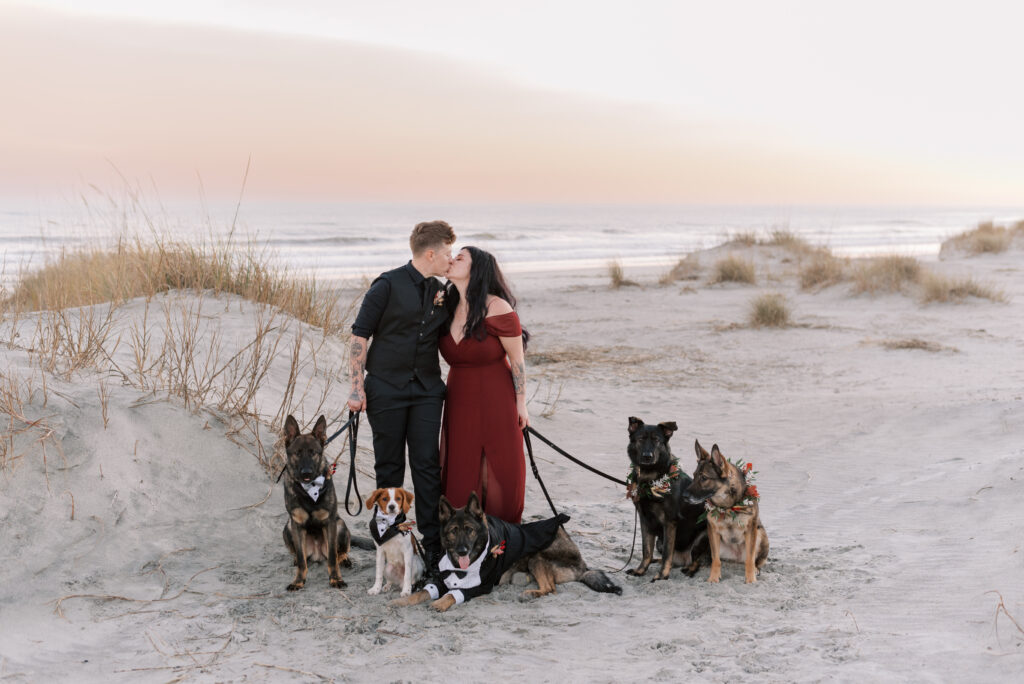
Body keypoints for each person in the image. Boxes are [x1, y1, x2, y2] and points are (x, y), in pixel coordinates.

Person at [348, 221, 456, 569]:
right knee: (389, 465)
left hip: (426, 390)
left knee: (426, 466)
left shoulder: (442, 290)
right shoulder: (386, 285)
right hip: (386, 389)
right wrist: (355, 388)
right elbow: (359, 337)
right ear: (431, 253)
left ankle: (433, 543)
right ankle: (392, 541)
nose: (450, 259)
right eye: (447, 252)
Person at [439, 246, 529, 523]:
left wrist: (521, 404)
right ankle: (463, 530)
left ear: (476, 268)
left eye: (460, 257)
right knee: (461, 466)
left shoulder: (496, 307)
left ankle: (500, 534)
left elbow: (517, 362)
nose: (452, 260)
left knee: (496, 469)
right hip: (458, 399)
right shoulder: (446, 307)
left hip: (496, 398)